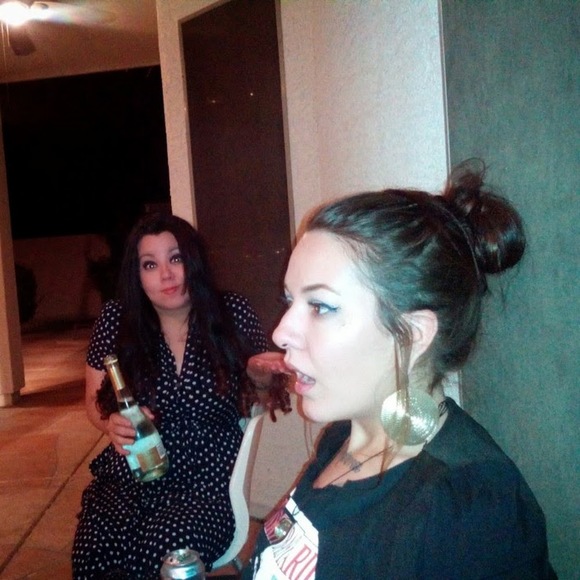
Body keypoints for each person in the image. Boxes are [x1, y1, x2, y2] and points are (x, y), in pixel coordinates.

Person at [243, 160, 556, 579]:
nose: (281, 332)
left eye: (321, 306)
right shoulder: (344, 435)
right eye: (290, 300)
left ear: (411, 334)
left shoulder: (466, 507)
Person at [72, 212, 289, 579]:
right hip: (131, 472)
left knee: (167, 553)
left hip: (207, 477)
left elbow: (264, 401)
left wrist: (259, 378)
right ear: (137, 274)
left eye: (175, 258)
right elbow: (94, 404)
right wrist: (110, 423)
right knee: (95, 552)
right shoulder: (115, 320)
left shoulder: (231, 312)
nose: (166, 274)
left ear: (193, 260)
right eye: (150, 264)